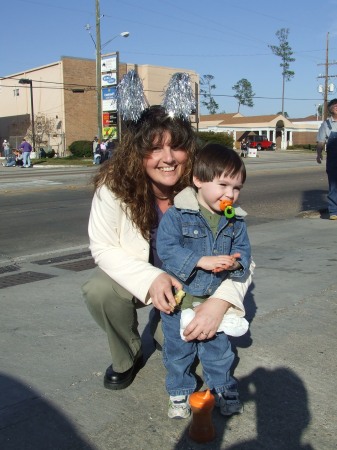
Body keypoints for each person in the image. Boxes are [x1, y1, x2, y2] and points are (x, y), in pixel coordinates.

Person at [82, 105, 254, 395]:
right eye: (155, 148)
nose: (168, 159)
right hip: (139, 280)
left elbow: (243, 259)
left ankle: (160, 325)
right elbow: (102, 247)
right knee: (99, 290)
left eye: (177, 147)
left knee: (189, 352)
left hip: (193, 289)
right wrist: (151, 277)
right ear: (136, 152)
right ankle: (130, 353)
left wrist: (220, 304)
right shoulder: (114, 188)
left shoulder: (206, 186)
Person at [156, 143, 251, 419]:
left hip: (212, 297)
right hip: (181, 297)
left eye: (236, 188)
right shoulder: (178, 214)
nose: (230, 195)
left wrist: (236, 262)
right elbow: (167, 249)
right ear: (198, 180)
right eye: (223, 185)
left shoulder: (236, 221)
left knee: (217, 349)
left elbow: (244, 250)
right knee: (179, 349)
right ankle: (179, 390)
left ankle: (222, 387)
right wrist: (199, 261)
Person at [316, 98, 337, 220]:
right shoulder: (326, 124)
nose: (336, 106)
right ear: (329, 109)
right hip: (333, 157)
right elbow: (321, 141)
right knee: (333, 185)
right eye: (334, 105)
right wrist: (318, 154)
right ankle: (334, 211)